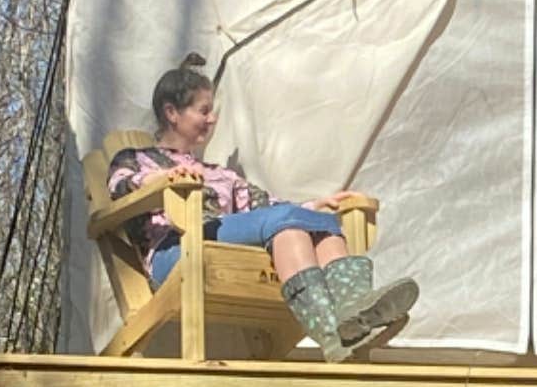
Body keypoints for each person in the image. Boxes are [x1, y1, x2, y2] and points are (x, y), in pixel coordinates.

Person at [107, 55, 418, 361]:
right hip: (174, 250)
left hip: (216, 239)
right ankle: (339, 327)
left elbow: (264, 206)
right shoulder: (134, 158)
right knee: (288, 221)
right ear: (172, 112)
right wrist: (160, 180)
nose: (212, 119)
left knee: (314, 225)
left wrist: (315, 206)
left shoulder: (221, 174)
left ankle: (347, 323)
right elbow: (119, 185)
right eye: (203, 111)